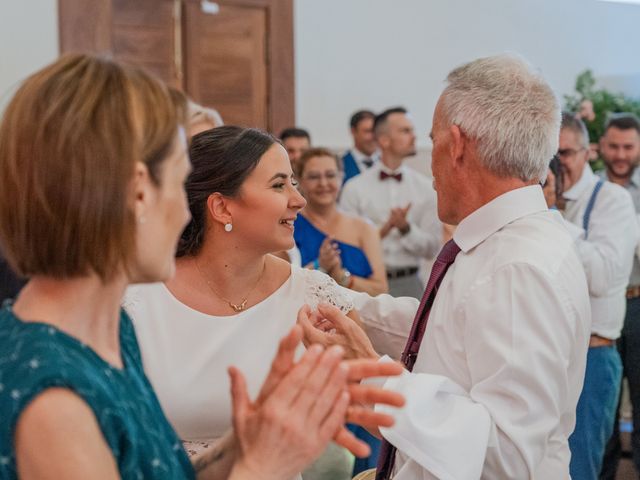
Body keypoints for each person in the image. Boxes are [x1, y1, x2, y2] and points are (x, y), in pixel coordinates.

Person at [0, 54, 403, 480]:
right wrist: (262, 465)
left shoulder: (108, 328)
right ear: (139, 194)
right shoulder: (54, 396)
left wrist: (244, 442)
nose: (185, 210)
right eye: (179, 182)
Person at [299, 54, 592, 479]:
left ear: (456, 144)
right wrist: (335, 301)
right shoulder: (506, 241)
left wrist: (375, 373)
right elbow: (448, 334)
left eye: (432, 139)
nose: (430, 164)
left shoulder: (517, 268)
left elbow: (505, 457)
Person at [124, 126, 405, 480]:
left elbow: (381, 409)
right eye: (278, 185)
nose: (298, 199)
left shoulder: (315, 297)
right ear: (222, 207)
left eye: (293, 182)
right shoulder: (137, 303)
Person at [544, 113, 638, 479]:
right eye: (550, 154)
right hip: (547, 355)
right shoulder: (534, 201)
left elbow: (603, 277)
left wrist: (550, 213)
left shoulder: (611, 199)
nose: (558, 163)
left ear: (587, 153)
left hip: (592, 355)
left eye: (565, 153)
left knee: (580, 469)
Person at [340, 107, 441, 298]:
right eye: (405, 131)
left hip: (410, 283)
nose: (414, 136)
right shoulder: (354, 188)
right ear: (384, 140)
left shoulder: (426, 188)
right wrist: (381, 231)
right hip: (365, 284)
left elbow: (431, 249)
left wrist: (406, 229)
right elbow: (348, 246)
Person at [599, 113, 640, 479]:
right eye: (614, 146)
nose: (621, 154)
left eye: (628, 146)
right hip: (600, 305)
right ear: (601, 146)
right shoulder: (590, 192)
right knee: (603, 402)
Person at [295, 147, 387, 296]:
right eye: (313, 177)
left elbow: (380, 289)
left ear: (341, 177)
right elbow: (281, 284)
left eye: (330, 175)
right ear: (299, 180)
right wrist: (319, 265)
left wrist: (340, 276)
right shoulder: (289, 225)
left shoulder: (364, 228)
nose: (323, 183)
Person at [342, 110, 379, 184]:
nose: (373, 137)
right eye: (368, 131)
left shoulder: (387, 165)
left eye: (376, 131)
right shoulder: (341, 166)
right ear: (353, 131)